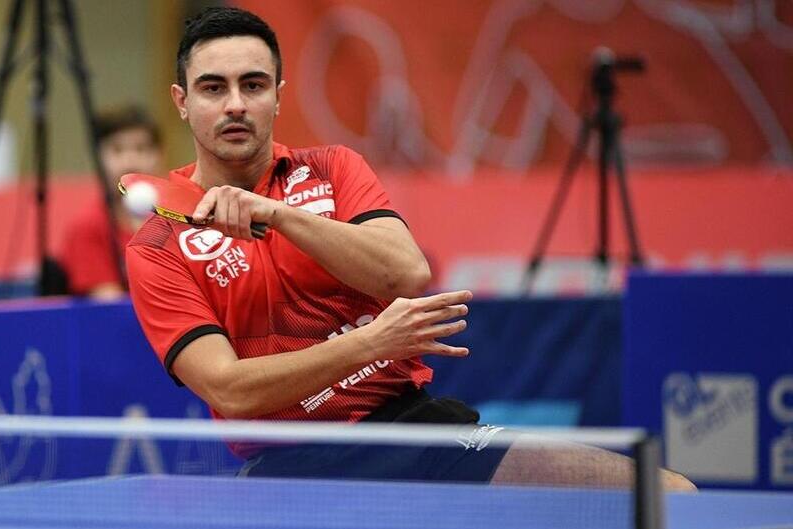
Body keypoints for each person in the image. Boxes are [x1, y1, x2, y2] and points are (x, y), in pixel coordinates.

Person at [125, 7, 695, 491]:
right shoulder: (157, 245)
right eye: (212, 87)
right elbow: (229, 389)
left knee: (672, 496)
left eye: (252, 84)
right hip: (290, 469)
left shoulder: (332, 168)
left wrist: (276, 215)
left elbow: (405, 272)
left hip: (416, 433)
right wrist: (372, 343)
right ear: (181, 101)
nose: (235, 104)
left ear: (278, 93)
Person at [60, 105, 163, 299]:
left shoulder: (178, 221)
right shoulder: (87, 227)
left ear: (159, 156)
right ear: (97, 158)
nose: (130, 160)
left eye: (141, 149)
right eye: (117, 150)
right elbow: (109, 305)